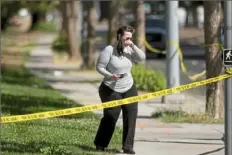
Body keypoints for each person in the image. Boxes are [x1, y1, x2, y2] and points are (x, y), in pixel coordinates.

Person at [94, 25, 146, 154]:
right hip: (111, 88)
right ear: (119, 37)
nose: (129, 40)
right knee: (111, 116)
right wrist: (110, 75)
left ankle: (128, 147)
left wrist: (132, 45)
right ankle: (100, 144)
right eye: (126, 37)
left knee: (131, 116)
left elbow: (142, 58)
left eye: (131, 37)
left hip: (129, 87)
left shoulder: (129, 49)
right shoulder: (109, 50)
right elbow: (99, 67)